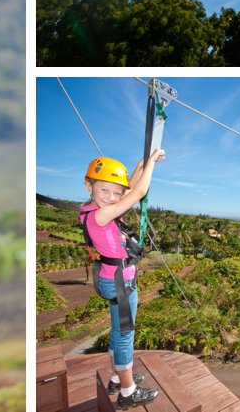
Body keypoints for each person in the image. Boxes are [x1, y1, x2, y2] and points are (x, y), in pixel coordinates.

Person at [80, 151, 164, 409]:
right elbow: (137, 193)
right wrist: (150, 164)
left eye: (116, 193)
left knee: (118, 332)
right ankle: (128, 392)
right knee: (125, 335)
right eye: (104, 190)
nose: (113, 197)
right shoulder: (100, 217)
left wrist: (139, 164)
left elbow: (129, 192)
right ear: (89, 185)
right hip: (120, 284)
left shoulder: (93, 209)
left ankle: (118, 376)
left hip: (112, 280)